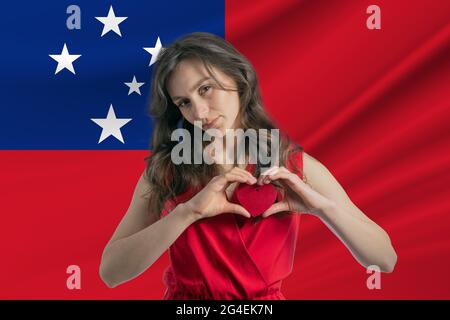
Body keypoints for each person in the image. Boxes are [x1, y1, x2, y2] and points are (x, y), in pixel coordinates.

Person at [99, 32, 397, 299]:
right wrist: (187, 212)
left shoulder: (293, 165)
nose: (199, 112)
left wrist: (323, 209)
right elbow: (111, 272)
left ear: (238, 79)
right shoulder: (168, 170)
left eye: (205, 89)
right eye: (184, 102)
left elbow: (384, 259)